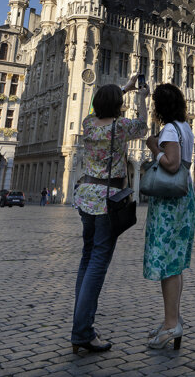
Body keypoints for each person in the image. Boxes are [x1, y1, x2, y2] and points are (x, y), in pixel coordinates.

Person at [71, 78, 149, 354]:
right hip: (107, 200)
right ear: (118, 106)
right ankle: (82, 331)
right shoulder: (121, 127)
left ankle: (80, 326)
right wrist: (140, 96)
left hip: (86, 195)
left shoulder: (88, 124)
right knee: (97, 264)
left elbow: (99, 101)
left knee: (86, 259)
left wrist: (123, 88)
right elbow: (143, 125)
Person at [144, 83, 195, 350]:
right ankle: (172, 319)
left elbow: (172, 163)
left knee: (167, 263)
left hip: (170, 202)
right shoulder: (185, 128)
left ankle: (171, 324)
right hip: (183, 197)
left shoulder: (168, 130)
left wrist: (155, 147)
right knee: (174, 263)